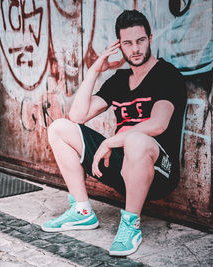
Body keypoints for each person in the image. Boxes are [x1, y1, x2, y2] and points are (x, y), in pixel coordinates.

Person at [41, 9, 187, 256]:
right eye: (128, 43)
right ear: (120, 46)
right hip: (121, 168)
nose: (135, 49)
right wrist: (95, 71)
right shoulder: (119, 80)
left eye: (140, 40)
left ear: (150, 38)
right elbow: (77, 116)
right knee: (59, 128)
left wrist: (112, 141)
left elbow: (158, 124)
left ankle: (131, 224)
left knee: (137, 140)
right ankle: (82, 211)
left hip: (158, 170)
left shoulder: (167, 75)